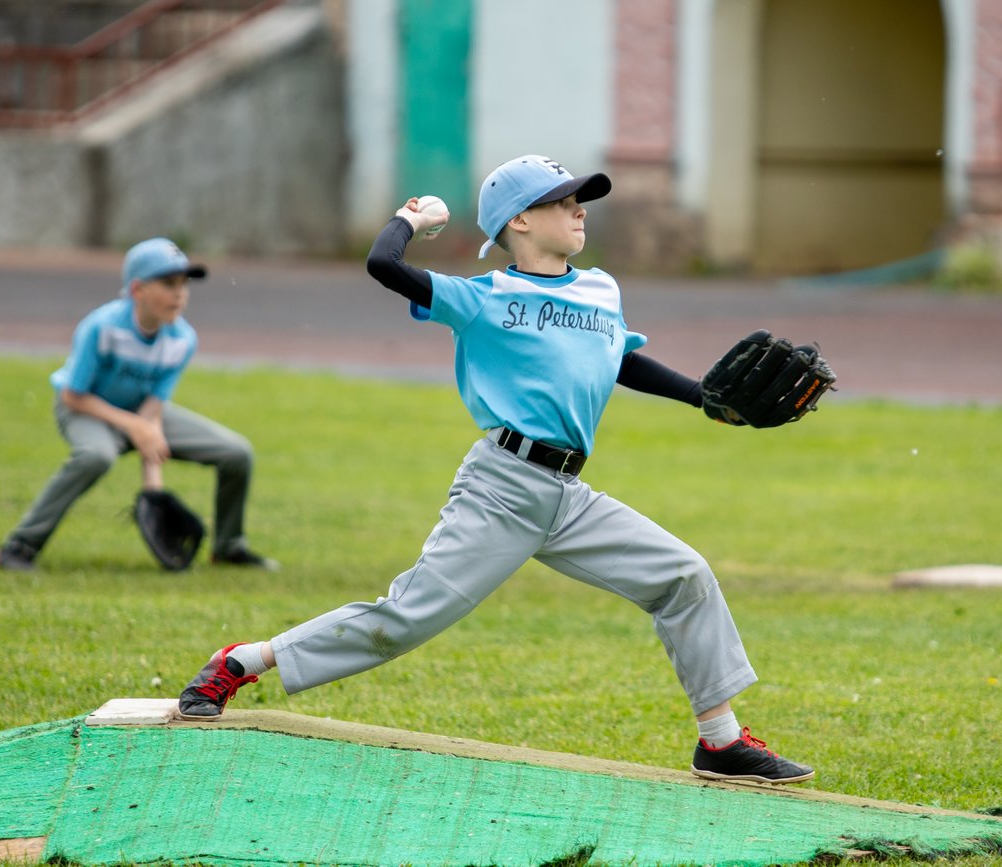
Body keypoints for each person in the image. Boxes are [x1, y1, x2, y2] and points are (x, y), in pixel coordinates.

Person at [176, 156, 813, 783]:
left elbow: (619, 359)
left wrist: (703, 397)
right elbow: (382, 265)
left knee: (683, 575)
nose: (579, 209)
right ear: (521, 222)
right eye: (562, 201)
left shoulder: (601, 287)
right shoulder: (481, 299)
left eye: (577, 199)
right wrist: (408, 218)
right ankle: (242, 661)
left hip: (568, 495)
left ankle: (721, 742)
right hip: (502, 489)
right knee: (405, 620)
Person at [0, 237, 277, 572]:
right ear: (138, 289)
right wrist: (133, 426)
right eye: (168, 284)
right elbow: (72, 395)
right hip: (86, 409)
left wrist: (152, 487)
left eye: (184, 284)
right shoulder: (102, 328)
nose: (180, 294)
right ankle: (19, 546)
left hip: (142, 416)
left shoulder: (182, 340)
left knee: (237, 453)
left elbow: (152, 409)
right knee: (96, 456)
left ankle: (229, 546)